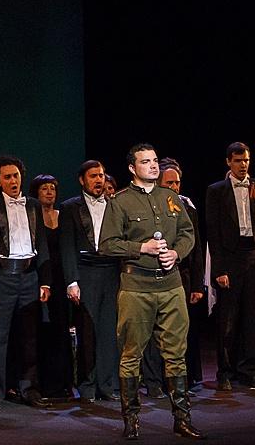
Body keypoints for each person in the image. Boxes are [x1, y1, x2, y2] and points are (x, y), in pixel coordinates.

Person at [100, 143, 202, 440]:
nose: (153, 165)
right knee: (131, 354)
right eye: (145, 162)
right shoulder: (120, 201)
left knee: (176, 354)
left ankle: (182, 419)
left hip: (171, 285)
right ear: (132, 168)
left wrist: (177, 253)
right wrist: (140, 248)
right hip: (137, 288)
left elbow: (187, 233)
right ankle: (131, 419)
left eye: (155, 160)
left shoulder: (171, 197)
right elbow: (107, 244)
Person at [0, 155, 52, 411]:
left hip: (29, 276)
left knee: (29, 337)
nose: (13, 181)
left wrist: (45, 282)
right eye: (7, 177)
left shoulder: (33, 205)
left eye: (16, 175)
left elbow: (42, 244)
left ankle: (29, 389)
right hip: (2, 277)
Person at [204, 142, 255, 391]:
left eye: (246, 160)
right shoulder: (216, 190)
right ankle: (225, 371)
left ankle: (250, 370)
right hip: (230, 259)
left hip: (253, 258)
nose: (243, 165)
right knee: (227, 320)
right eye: (238, 161)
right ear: (228, 162)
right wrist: (219, 270)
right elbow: (213, 232)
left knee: (252, 319)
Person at [141, 158, 206, 395]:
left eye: (177, 182)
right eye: (169, 183)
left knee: (178, 332)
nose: (174, 187)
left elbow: (196, 247)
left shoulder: (187, 206)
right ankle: (154, 382)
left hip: (181, 276)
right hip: (152, 275)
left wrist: (197, 284)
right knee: (153, 332)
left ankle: (178, 382)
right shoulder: (146, 206)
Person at [61, 159, 120, 402]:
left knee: (108, 331)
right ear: (82, 180)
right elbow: (67, 247)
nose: (99, 180)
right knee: (87, 332)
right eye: (93, 176)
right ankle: (87, 386)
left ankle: (107, 385)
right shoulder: (70, 207)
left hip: (111, 272)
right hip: (85, 272)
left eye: (101, 176)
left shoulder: (115, 205)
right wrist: (72, 281)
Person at [29, 173, 73, 400]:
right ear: (36, 192)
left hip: (62, 280)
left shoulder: (63, 216)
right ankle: (43, 384)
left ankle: (63, 384)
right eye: (44, 188)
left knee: (61, 329)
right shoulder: (32, 217)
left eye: (52, 188)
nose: (49, 192)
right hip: (40, 280)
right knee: (41, 330)